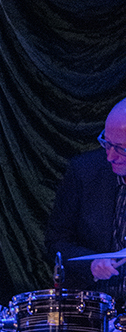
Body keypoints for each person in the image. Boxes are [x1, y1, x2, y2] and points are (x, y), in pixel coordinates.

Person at [46, 97, 126, 305]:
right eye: (106, 143)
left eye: (120, 149)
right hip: (90, 305)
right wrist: (91, 264)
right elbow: (56, 242)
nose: (110, 156)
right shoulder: (84, 172)